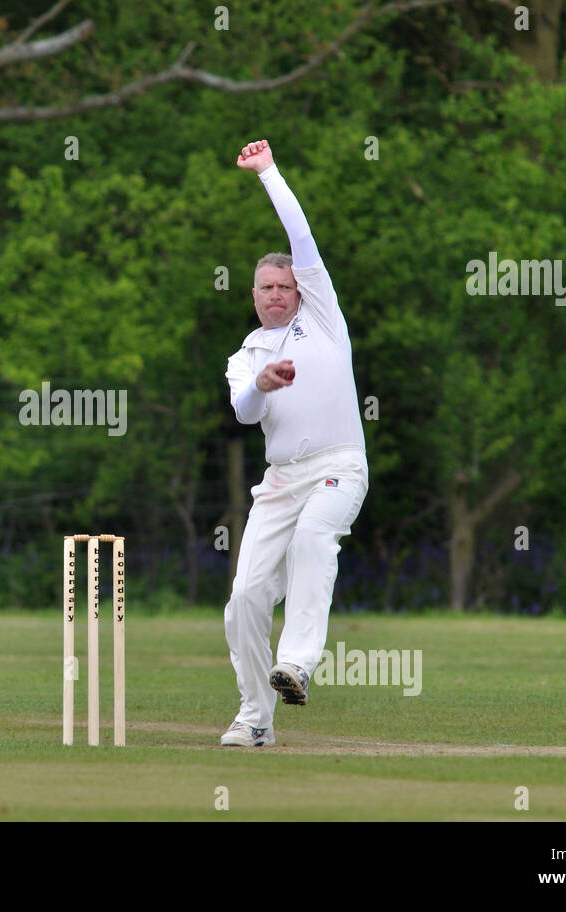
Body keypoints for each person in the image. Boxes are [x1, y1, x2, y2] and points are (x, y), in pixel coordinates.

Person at [220, 140, 369, 748]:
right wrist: (261, 382)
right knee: (246, 599)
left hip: (339, 466)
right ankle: (256, 718)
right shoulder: (246, 355)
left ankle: (298, 663)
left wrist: (269, 174)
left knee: (314, 540)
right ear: (252, 295)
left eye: (284, 284)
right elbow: (242, 410)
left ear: (300, 289)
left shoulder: (324, 317)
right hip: (279, 482)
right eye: (264, 287)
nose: (275, 293)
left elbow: (300, 236)